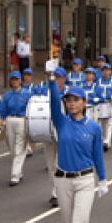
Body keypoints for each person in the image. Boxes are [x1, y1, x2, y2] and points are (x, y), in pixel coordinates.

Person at [46, 66, 107, 223]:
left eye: (75, 100)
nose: (71, 104)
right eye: (68, 100)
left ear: (84, 102)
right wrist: (52, 80)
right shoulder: (61, 123)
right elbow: (53, 102)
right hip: (62, 181)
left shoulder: (93, 127)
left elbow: (97, 155)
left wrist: (102, 179)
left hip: (85, 181)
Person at [0, 71, 33, 186]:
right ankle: (19, 172)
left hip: (23, 120)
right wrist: (1, 121)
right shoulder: (7, 95)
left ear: (20, 81)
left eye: (16, 79)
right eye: (12, 79)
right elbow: (3, 109)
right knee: (12, 147)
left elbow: (31, 109)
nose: (14, 81)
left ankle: (14, 176)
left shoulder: (27, 94)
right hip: (10, 120)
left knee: (19, 147)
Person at [42, 67, 69, 207]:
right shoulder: (44, 91)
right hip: (48, 132)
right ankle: (55, 191)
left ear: (64, 79)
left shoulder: (69, 93)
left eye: (59, 77)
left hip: (63, 133)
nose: (57, 80)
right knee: (51, 164)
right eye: (54, 77)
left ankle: (59, 192)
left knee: (61, 163)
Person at [95, 63, 112, 150]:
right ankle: (103, 140)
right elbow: (93, 92)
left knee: (109, 124)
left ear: (110, 71)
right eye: (104, 70)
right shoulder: (97, 82)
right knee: (99, 124)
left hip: (111, 104)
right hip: (100, 104)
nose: (106, 72)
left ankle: (107, 141)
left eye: (108, 70)